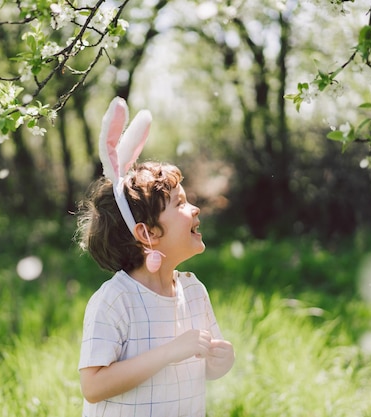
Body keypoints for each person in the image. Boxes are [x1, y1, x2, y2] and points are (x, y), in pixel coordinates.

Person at [75, 97, 235, 417]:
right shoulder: (115, 300)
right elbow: (93, 387)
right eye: (180, 204)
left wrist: (219, 363)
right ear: (147, 234)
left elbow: (196, 367)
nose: (195, 209)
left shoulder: (194, 292)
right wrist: (171, 351)